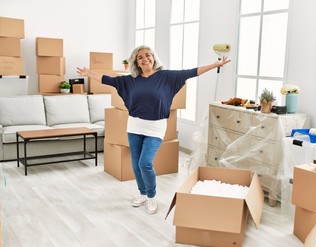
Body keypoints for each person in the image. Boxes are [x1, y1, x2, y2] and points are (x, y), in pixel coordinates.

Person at [77, 45, 230, 214]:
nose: (145, 59)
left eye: (147, 55)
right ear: (136, 62)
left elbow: (192, 72)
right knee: (136, 164)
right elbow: (108, 79)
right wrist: (88, 73)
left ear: (153, 57)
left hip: (156, 127)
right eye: (140, 57)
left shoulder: (167, 77)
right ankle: (142, 193)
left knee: (145, 163)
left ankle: (151, 196)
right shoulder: (130, 80)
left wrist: (215, 65)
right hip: (134, 126)